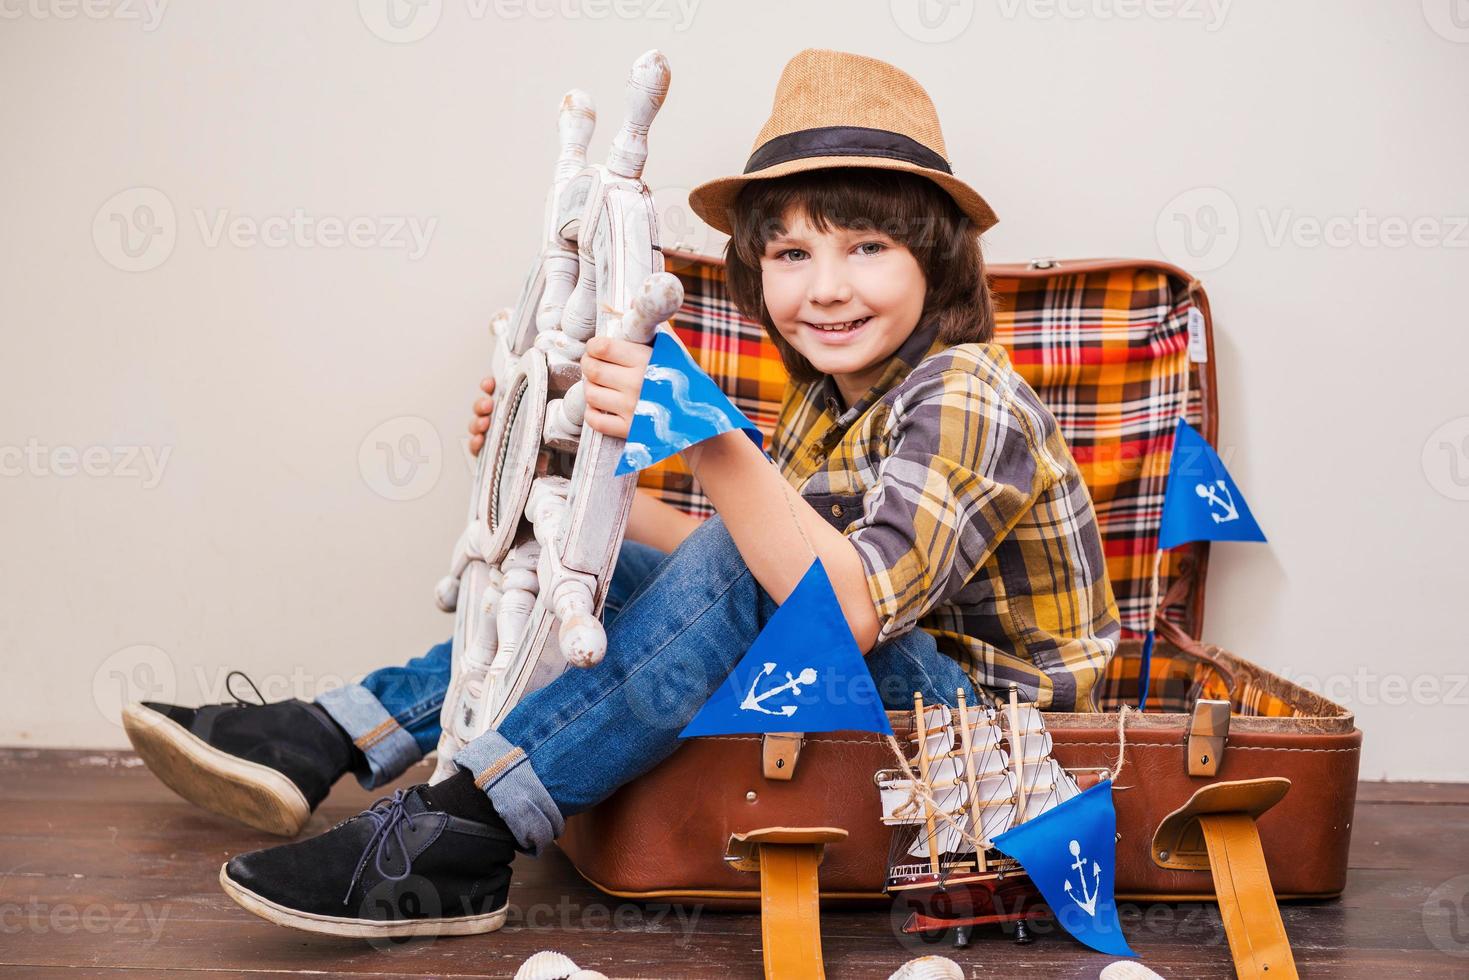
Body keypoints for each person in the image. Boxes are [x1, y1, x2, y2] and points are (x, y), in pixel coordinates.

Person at [122, 47, 1120, 938]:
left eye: (865, 247)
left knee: (749, 558)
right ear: (755, 271)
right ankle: (336, 730)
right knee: (612, 569)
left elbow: (837, 605)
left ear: (935, 260)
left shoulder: (969, 390)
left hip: (990, 737)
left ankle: (468, 825)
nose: (825, 286)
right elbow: (715, 566)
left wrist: (713, 440)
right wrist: (552, 473)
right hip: (864, 672)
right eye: (791, 252)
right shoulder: (829, 400)